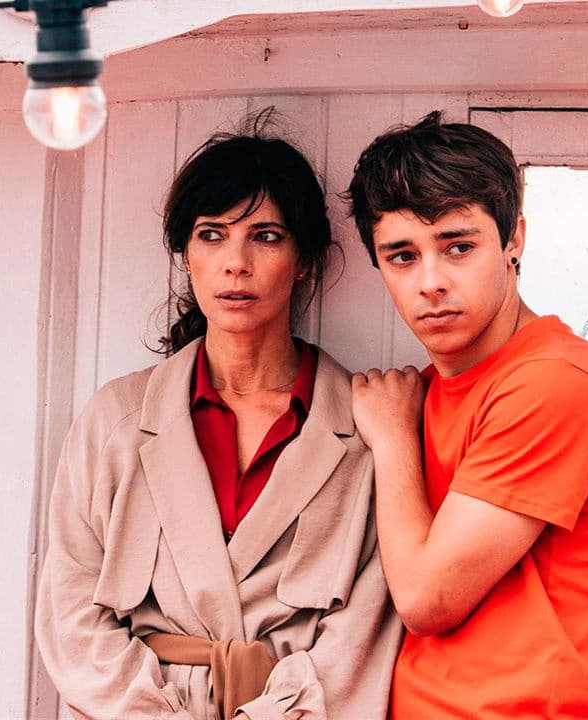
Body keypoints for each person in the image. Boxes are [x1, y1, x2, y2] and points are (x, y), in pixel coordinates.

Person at [35, 115, 399, 720]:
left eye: (266, 236)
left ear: (305, 260)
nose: (236, 262)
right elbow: (72, 615)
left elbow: (364, 636)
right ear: (186, 254)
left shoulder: (367, 431)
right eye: (211, 235)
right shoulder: (115, 421)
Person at [345, 111, 588, 719]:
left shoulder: (560, 381)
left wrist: (393, 440)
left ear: (514, 239)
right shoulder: (423, 394)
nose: (430, 282)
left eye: (458, 247)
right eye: (402, 256)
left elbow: (427, 600)